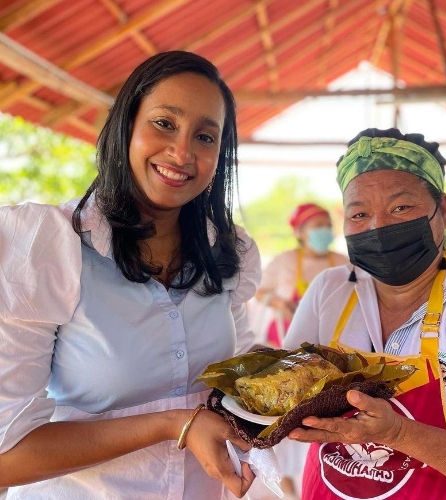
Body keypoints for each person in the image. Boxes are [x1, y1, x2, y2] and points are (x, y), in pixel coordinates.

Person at [0, 51, 260, 498]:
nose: (182, 152)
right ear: (126, 128)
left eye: (205, 136)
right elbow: (7, 456)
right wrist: (172, 425)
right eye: (164, 123)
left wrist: (303, 396)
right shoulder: (49, 248)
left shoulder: (226, 254)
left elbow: (238, 377)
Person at [283, 128, 446, 499]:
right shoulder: (330, 290)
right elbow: (287, 396)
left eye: (400, 208)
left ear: (442, 209)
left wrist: (398, 434)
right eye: (359, 213)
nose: (378, 227)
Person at [256, 203, 350, 348]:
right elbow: (259, 292)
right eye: (318, 226)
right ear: (299, 232)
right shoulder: (285, 260)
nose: (325, 230)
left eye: (328, 226)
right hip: (287, 333)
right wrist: (280, 304)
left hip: (335, 335)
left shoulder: (343, 261)